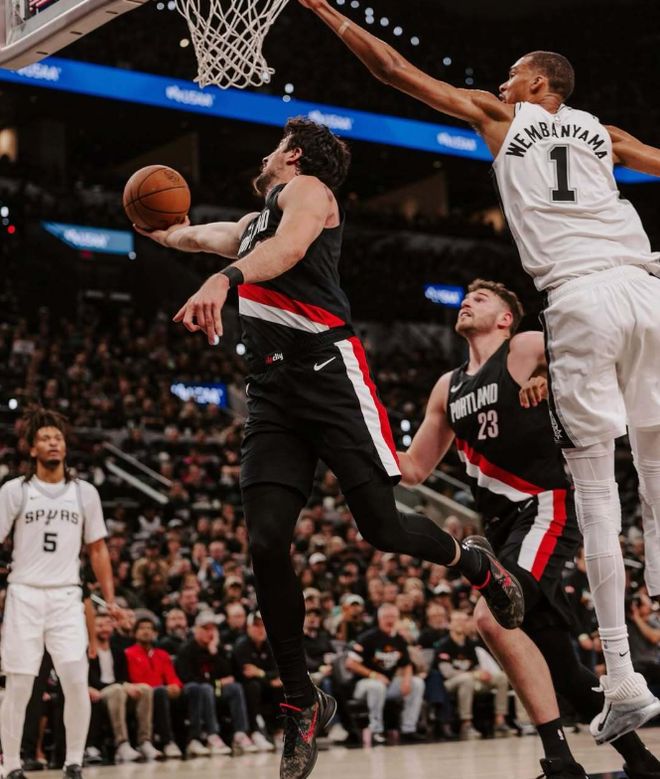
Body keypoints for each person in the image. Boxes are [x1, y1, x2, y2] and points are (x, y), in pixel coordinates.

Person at [299, 0, 660, 749]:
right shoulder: (604, 133)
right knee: (656, 474)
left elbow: (394, 70)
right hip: (644, 285)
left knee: (598, 494)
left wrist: (326, 12)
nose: (501, 83)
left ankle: (624, 677)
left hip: (579, 297)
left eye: (512, 74)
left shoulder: (504, 118)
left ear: (538, 84)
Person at [137, 116, 523, 779]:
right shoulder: (254, 222)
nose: (264, 155)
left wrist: (223, 281)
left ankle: (473, 559)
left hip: (328, 374)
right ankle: (301, 698)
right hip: (272, 394)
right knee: (265, 542)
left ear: (292, 155)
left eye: (273, 147)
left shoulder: (309, 192)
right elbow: (201, 234)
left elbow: (287, 250)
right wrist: (161, 230)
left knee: (381, 527)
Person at [393, 279, 660, 779]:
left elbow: (582, 353)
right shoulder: (447, 387)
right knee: (561, 662)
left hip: (545, 506)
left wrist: (545, 373)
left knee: (492, 616)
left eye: (481, 298)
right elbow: (412, 469)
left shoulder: (523, 346)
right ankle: (642, 762)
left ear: (505, 318)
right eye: (466, 297)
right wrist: (357, 436)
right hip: (499, 529)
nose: (467, 301)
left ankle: (559, 761)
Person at [0, 408, 117, 779]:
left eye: (58, 438)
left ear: (65, 446)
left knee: (76, 679)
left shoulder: (85, 493)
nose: (53, 443)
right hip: (24, 593)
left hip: (67, 595)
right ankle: (11, 765)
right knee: (19, 682)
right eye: (45, 438)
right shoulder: (15, 491)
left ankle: (74, 762)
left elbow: (97, 549)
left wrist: (110, 600)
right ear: (32, 448)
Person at [174, 611, 259, 755]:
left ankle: (240, 733)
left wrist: (214, 654)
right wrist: (216, 683)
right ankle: (212, 735)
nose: (210, 632)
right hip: (193, 692)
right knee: (205, 688)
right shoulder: (186, 649)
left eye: (213, 628)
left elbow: (229, 674)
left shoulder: (217, 648)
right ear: (196, 630)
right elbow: (187, 677)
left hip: (214, 689)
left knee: (235, 688)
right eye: (205, 628)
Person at [346, 603, 425, 744]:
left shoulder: (399, 639)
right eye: (386, 617)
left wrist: (407, 680)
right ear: (379, 618)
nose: (390, 620)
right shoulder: (368, 638)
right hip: (363, 685)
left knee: (417, 683)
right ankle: (376, 730)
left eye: (393, 617)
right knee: (377, 686)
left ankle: (408, 729)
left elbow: (406, 664)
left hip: (387, 684)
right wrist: (374, 675)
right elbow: (350, 663)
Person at [86, 613, 161, 763]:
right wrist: (122, 685)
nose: (104, 629)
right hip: (99, 691)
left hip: (118, 690)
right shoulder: (87, 651)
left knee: (145, 689)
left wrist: (125, 685)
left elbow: (123, 677)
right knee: (117, 690)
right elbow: (92, 680)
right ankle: (122, 743)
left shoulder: (117, 650)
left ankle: (144, 742)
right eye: (99, 626)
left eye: (107, 625)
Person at [436, 611, 511, 740]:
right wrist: (474, 674)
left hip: (471, 680)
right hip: (448, 684)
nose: (460, 623)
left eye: (463, 620)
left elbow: (475, 666)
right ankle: (466, 724)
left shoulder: (470, 644)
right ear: (449, 624)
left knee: (501, 677)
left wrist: (481, 673)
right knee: (467, 679)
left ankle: (500, 721)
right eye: (457, 620)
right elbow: (447, 672)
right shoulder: (443, 645)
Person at [124, 617, 183, 759]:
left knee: (181, 692)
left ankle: (195, 738)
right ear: (135, 633)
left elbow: (172, 677)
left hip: (162, 692)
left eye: (149, 628)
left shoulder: (162, 654)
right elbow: (132, 679)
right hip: (140, 693)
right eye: (142, 628)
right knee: (160, 692)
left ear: (155, 633)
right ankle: (167, 741)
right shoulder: (128, 653)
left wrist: (175, 686)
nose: (146, 631)